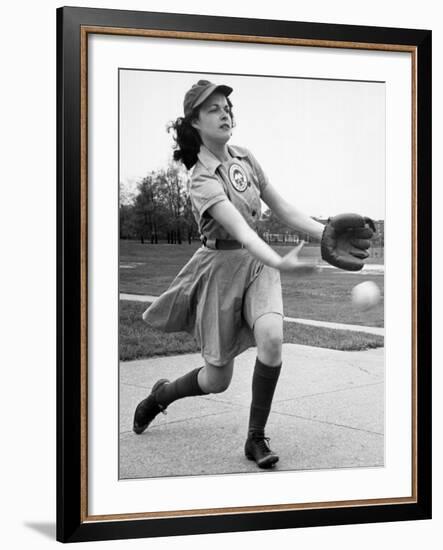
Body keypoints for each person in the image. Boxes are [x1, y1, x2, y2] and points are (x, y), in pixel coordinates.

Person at [133, 80, 375, 469]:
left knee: (272, 341)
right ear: (194, 122)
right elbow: (241, 232)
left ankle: (255, 437)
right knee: (216, 380)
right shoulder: (201, 178)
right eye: (212, 108)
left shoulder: (244, 158)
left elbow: (282, 208)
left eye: (226, 105)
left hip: (257, 265)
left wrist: (324, 230)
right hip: (219, 271)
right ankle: (161, 396)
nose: (224, 112)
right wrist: (282, 261)